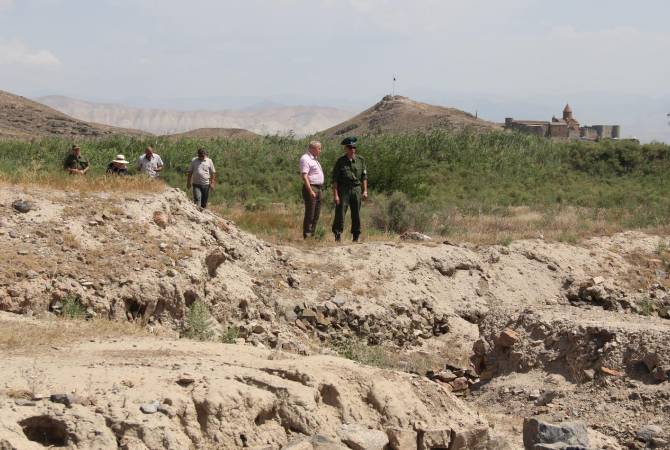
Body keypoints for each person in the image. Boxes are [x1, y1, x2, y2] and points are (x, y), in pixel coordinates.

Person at [331, 137, 368, 242]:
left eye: (354, 147)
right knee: (340, 213)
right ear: (346, 149)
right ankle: (337, 234)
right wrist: (336, 195)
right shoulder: (340, 161)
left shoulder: (361, 160)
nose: (353, 149)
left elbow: (364, 177)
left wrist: (365, 191)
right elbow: (335, 180)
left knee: (356, 213)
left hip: (356, 189)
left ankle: (356, 236)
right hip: (344, 190)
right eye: (350, 147)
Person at [299, 141, 324, 239]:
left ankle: (312, 235)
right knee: (310, 213)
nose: (320, 151)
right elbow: (304, 176)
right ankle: (307, 236)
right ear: (313, 148)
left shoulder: (314, 159)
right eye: (319, 148)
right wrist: (310, 191)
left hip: (318, 188)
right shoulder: (305, 159)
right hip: (311, 187)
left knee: (316, 213)